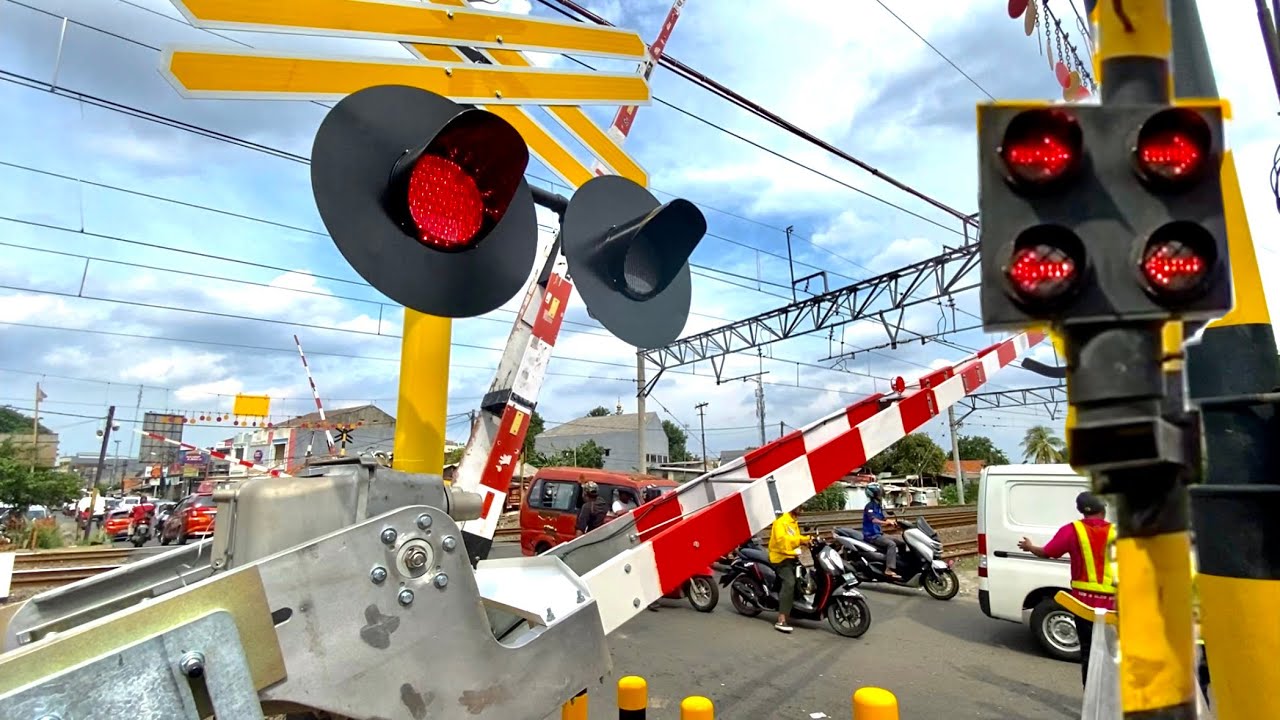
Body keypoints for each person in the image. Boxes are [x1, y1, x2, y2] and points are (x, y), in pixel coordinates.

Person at [1018, 491, 1115, 687]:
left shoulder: (1072, 530)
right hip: (1114, 606)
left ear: (1080, 510)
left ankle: (1091, 702)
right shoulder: (1118, 532)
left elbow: (1048, 552)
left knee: (1088, 653)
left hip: (1082, 605)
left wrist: (1030, 547)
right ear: (1104, 509)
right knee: (1113, 654)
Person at [767, 504, 812, 634]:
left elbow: (795, 539)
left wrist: (808, 539)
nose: (802, 511)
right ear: (793, 506)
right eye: (800, 508)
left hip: (791, 557)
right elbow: (783, 541)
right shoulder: (781, 522)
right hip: (780, 559)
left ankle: (795, 609)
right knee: (789, 583)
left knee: (803, 579)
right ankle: (781, 619)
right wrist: (801, 540)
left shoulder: (793, 521)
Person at [862, 483, 904, 579]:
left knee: (901, 543)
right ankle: (888, 569)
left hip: (879, 534)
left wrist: (892, 522)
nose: (881, 495)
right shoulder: (869, 506)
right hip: (871, 536)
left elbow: (882, 518)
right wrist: (885, 523)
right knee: (891, 544)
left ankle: (901, 564)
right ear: (873, 494)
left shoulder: (878, 506)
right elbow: (873, 520)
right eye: (879, 493)